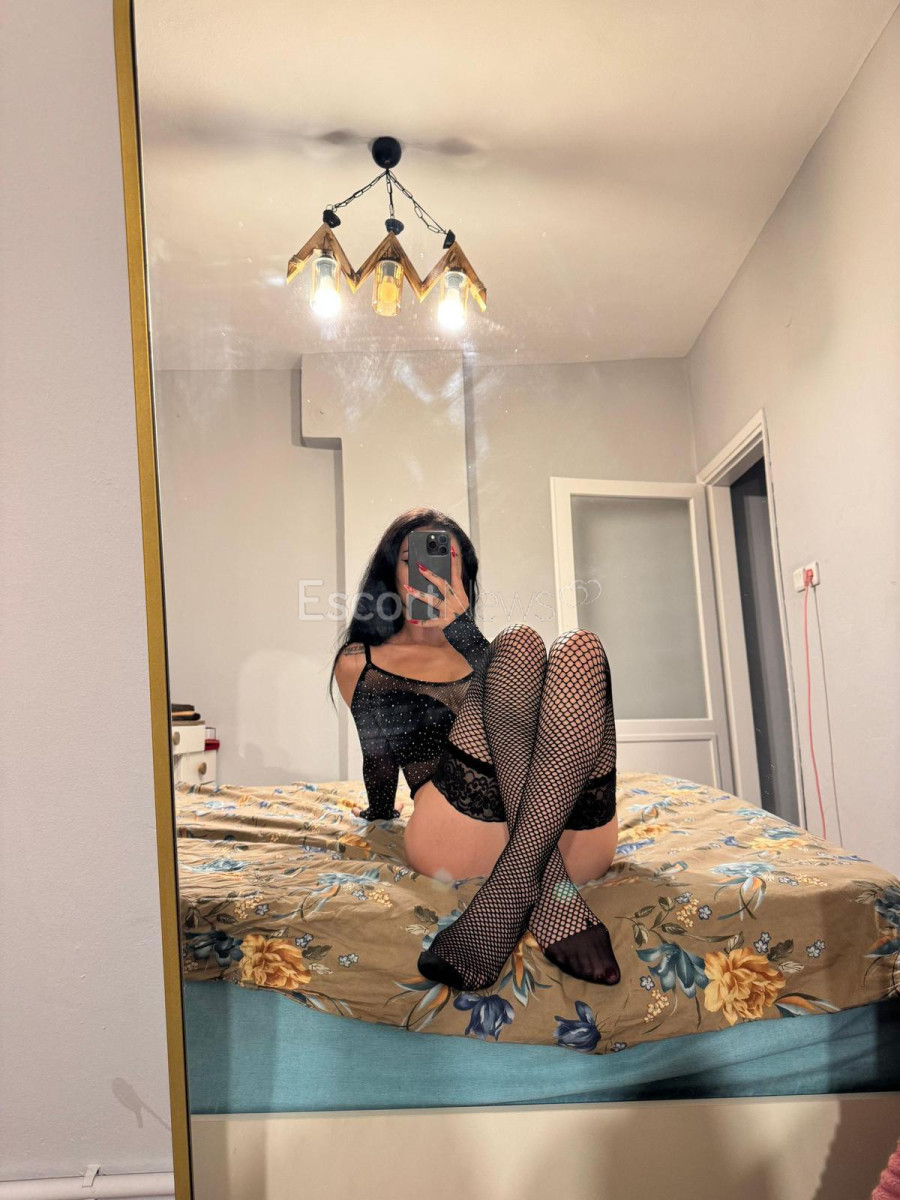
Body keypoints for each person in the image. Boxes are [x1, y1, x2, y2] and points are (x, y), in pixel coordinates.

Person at [330, 507, 620, 993]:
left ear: (464, 572)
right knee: (519, 641)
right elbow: (376, 752)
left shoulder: (488, 655)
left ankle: (507, 898)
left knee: (580, 648)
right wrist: (379, 811)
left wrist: (463, 633)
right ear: (390, 573)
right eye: (413, 557)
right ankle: (549, 896)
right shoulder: (362, 660)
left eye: (447, 556)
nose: (430, 568)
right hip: (456, 837)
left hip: (572, 837)